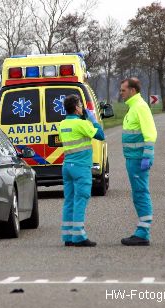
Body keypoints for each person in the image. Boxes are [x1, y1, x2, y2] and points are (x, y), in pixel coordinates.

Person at [58, 94, 105, 247]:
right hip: (81, 167)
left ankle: (68, 236)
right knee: (80, 200)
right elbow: (100, 135)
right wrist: (93, 120)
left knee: (69, 201)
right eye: (80, 105)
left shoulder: (63, 124)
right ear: (77, 107)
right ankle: (79, 237)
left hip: (67, 167)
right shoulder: (82, 124)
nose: (82, 108)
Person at [119, 77, 157, 246]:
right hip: (132, 158)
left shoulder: (140, 107)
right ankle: (142, 230)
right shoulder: (133, 107)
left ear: (132, 91)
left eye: (123, 90)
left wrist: (147, 155)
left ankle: (143, 233)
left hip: (138, 158)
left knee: (141, 193)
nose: (121, 93)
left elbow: (150, 133)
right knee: (138, 194)